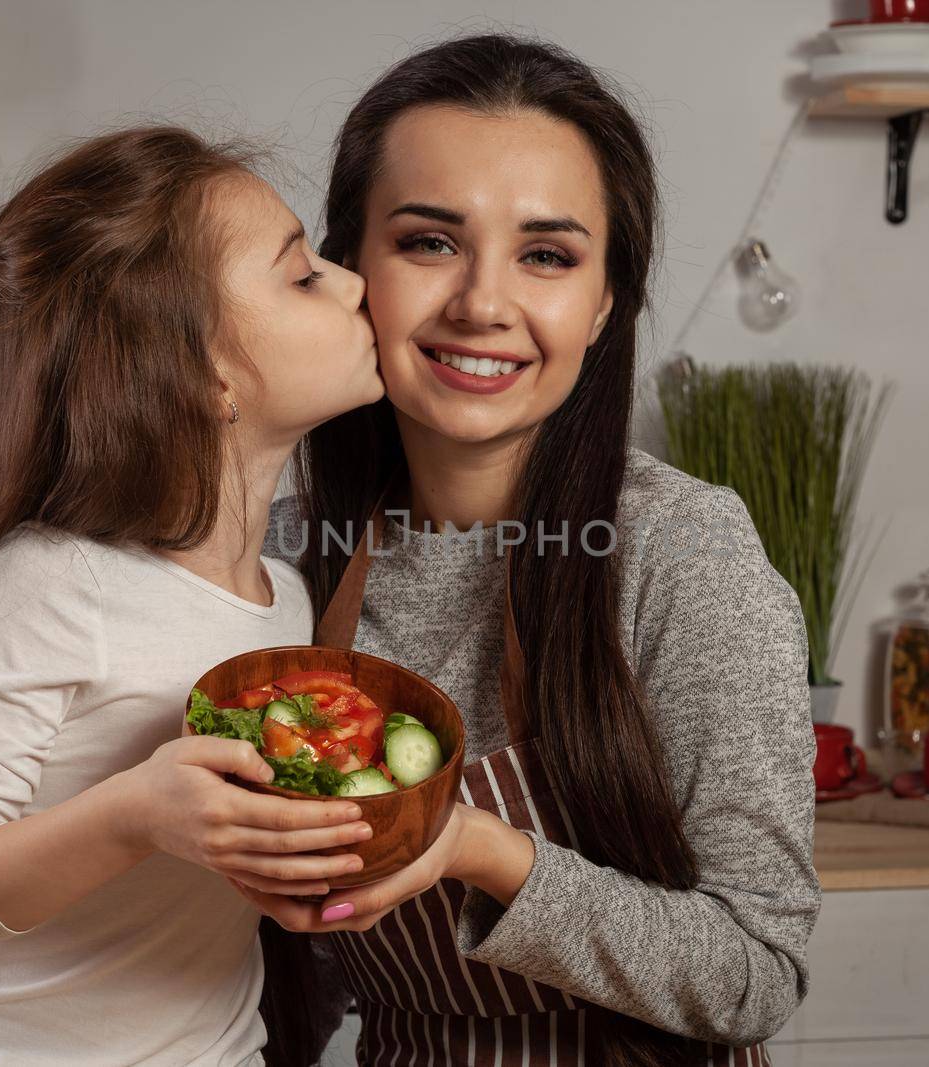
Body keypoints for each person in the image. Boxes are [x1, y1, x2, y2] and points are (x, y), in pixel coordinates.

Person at [252, 34, 820, 1067]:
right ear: (347, 270)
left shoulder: (684, 551)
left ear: (603, 302)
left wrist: (475, 848)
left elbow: (754, 969)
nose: (481, 302)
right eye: (429, 241)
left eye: (546, 255)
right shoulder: (290, 549)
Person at [0, 125, 384, 1066]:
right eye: (303, 275)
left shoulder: (286, 596)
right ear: (208, 375)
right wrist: (133, 815)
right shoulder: (46, 587)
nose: (354, 282)